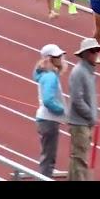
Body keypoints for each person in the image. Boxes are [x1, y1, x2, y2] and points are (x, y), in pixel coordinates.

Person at [67, 38, 100, 181]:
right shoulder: (79, 72)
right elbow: (77, 99)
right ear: (85, 53)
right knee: (80, 159)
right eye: (94, 51)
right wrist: (90, 116)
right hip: (80, 123)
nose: (97, 54)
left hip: (85, 123)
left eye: (98, 51)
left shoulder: (88, 71)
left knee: (78, 158)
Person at [34, 43, 68, 177]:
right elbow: (48, 100)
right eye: (57, 56)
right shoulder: (50, 77)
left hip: (46, 120)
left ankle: (45, 175)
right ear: (49, 58)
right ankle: (45, 177)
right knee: (48, 158)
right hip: (49, 120)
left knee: (47, 156)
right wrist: (61, 110)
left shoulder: (46, 74)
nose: (61, 57)